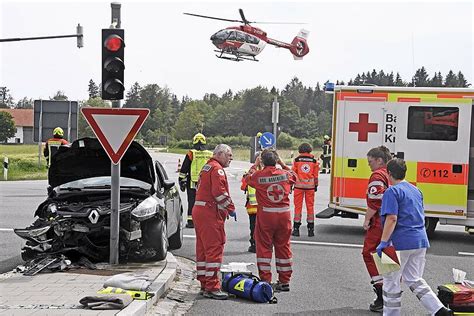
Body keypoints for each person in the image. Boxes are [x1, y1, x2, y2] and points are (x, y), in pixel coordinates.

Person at [377, 158, 453, 316]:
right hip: (419, 241)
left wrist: (383, 242)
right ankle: (439, 310)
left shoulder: (391, 191)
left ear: (388, 173)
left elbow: (392, 218)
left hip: (397, 243)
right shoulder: (415, 190)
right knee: (414, 278)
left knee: (391, 282)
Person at [245, 149, 297, 292]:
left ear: (262, 161)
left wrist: (255, 165)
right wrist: (282, 163)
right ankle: (284, 281)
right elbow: (295, 176)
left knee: (264, 248)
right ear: (276, 160)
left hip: (266, 217)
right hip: (284, 217)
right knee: (284, 247)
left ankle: (265, 281)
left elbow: (247, 178)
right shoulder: (285, 174)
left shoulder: (258, 175)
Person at [193, 144, 236, 300]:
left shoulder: (207, 167)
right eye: (229, 155)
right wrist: (230, 208)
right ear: (220, 154)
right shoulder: (217, 169)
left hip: (201, 212)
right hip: (210, 213)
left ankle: (205, 283)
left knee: (203, 250)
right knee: (214, 249)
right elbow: (219, 193)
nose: (231, 158)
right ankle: (212, 287)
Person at [362, 146, 391, 312]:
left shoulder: (377, 175)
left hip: (379, 222)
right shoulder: (390, 173)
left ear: (379, 160)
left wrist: (367, 219)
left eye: (370, 161)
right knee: (387, 254)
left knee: (369, 253)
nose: (369, 165)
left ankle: (381, 291)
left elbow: (375, 200)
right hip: (389, 221)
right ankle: (391, 290)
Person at [178, 133, 213, 228]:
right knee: (206, 201)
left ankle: (191, 222)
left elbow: (184, 168)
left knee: (192, 201)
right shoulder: (210, 154)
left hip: (192, 182)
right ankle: (205, 221)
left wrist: (181, 180)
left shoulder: (191, 153)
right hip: (206, 182)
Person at [291, 143, 320, 237]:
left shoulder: (296, 160)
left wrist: (292, 184)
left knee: (298, 207)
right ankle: (310, 230)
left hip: (298, 187)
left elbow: (293, 174)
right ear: (310, 150)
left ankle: (296, 229)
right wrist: (315, 185)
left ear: (300, 150)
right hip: (310, 187)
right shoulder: (314, 161)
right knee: (310, 207)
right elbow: (315, 176)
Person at [240, 151, 263, 253]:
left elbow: (243, 186)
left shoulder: (250, 172)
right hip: (263, 206)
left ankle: (254, 245)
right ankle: (262, 245)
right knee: (263, 227)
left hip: (253, 206)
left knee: (253, 226)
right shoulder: (268, 171)